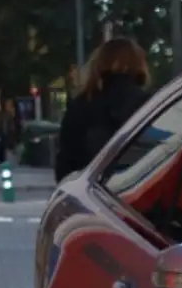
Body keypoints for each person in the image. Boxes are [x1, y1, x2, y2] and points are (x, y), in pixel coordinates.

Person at [55, 36, 151, 182]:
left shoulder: (81, 105)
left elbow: (65, 165)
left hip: (91, 194)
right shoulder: (148, 104)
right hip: (137, 190)